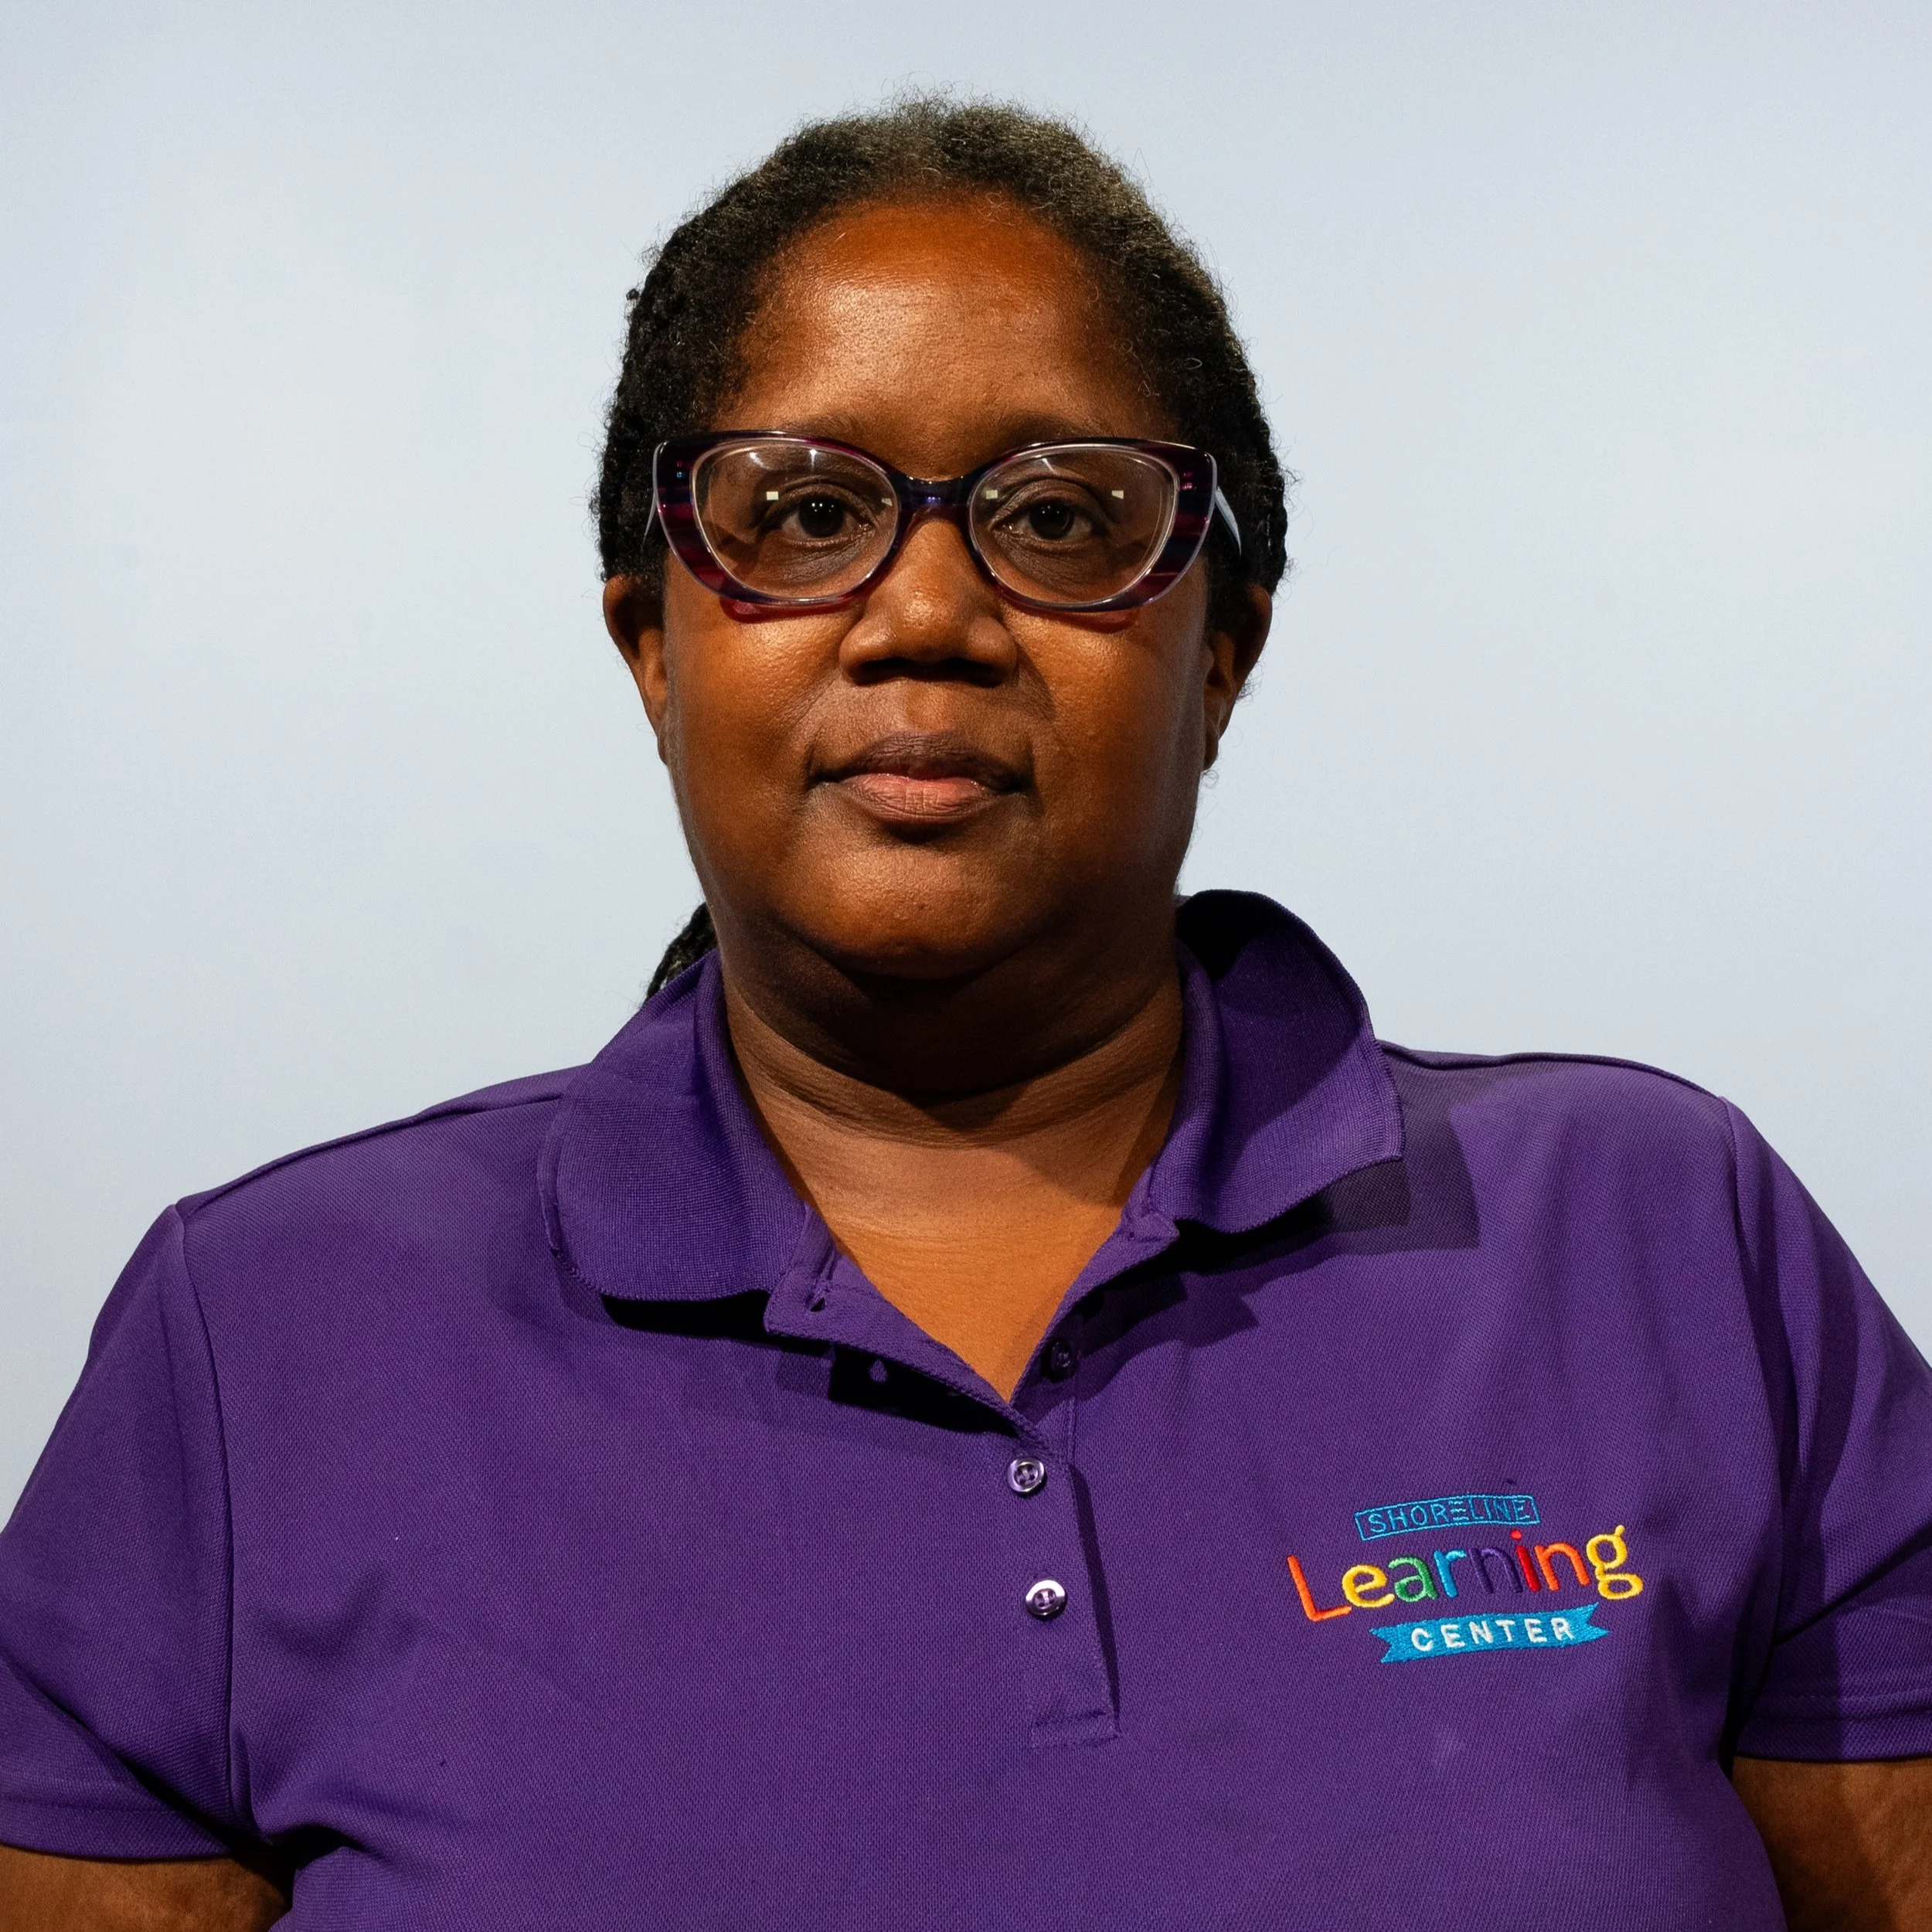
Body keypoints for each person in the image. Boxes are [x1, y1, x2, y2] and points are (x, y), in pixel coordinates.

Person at [1, 97, 1928, 1932]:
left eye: (1064, 516)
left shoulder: (1655, 1239)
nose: (924, 606)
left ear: (1222, 652)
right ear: (649, 644)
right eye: (801, 511)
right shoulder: (263, 1344)